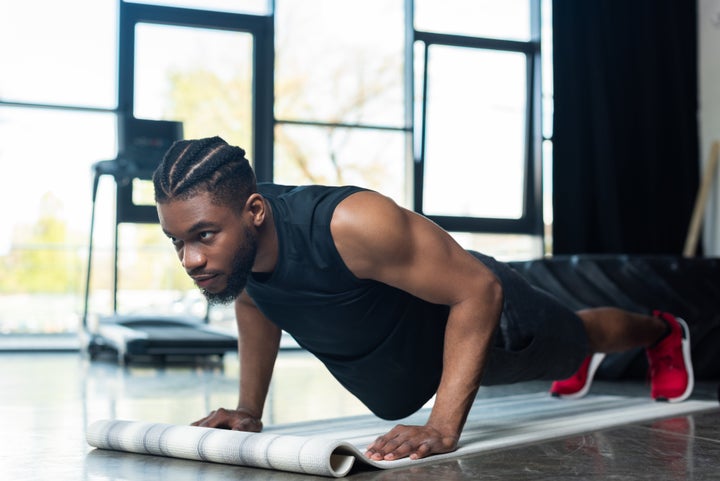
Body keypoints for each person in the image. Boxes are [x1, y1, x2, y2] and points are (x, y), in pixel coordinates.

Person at [152, 136, 694, 462]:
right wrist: (250, 411)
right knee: (575, 343)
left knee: (581, 337)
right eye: (177, 241)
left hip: (491, 321)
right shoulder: (242, 257)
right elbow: (256, 302)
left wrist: (440, 426)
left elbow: (479, 291)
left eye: (203, 235)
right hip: (424, 354)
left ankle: (664, 331)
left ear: (254, 211)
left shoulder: (351, 224)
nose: (191, 259)